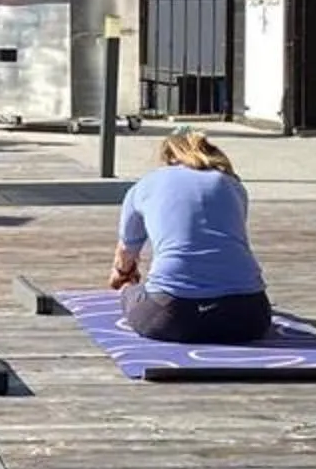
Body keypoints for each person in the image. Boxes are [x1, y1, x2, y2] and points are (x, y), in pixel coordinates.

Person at [110, 131, 272, 344]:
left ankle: (128, 290)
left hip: (172, 314)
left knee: (129, 292)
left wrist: (122, 275)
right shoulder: (233, 185)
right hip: (249, 316)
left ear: (168, 157)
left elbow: (126, 252)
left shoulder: (145, 185)